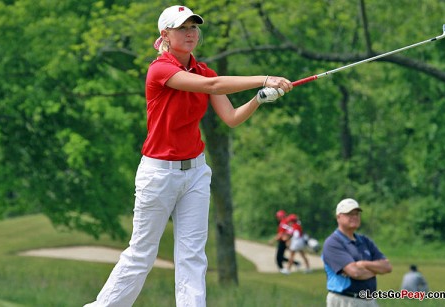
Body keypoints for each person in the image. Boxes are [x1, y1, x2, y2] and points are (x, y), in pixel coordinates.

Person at [84, 5, 293, 307]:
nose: (190, 33)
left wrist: (259, 99)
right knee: (142, 254)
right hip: (158, 173)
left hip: (195, 172)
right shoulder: (161, 70)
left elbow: (232, 117)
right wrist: (265, 78)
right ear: (165, 34)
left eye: (193, 27)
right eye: (182, 28)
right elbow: (212, 86)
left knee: (193, 255)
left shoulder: (203, 70)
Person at [322, 198, 392, 306]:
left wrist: (363, 264)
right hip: (345, 300)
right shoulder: (333, 242)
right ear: (338, 217)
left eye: (357, 214)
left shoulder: (365, 241)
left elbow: (387, 267)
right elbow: (355, 272)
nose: (354, 217)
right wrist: (376, 270)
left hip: (369, 300)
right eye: (349, 214)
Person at [270, 210, 300, 274]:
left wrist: (272, 241)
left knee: (278, 257)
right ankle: (296, 263)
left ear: (281, 216)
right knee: (281, 257)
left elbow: (281, 233)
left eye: (278, 217)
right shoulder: (285, 222)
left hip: (283, 241)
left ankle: (282, 269)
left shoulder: (283, 222)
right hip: (285, 240)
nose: (277, 218)